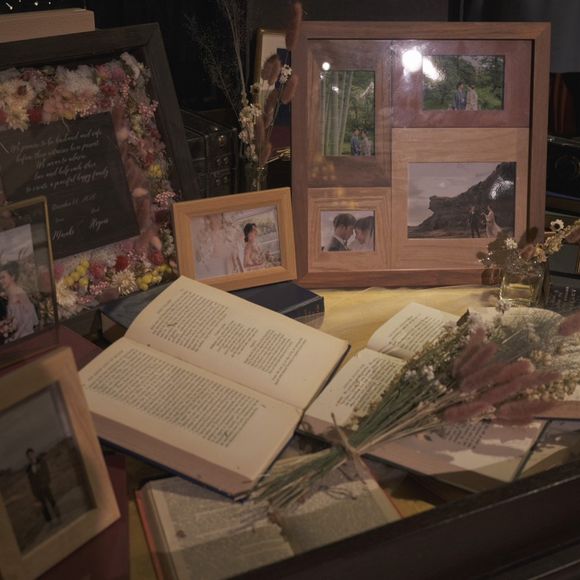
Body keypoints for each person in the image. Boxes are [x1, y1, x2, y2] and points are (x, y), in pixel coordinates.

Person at [194, 214, 243, 279]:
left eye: (219, 215)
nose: (217, 218)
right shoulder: (203, 236)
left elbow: (235, 253)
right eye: (214, 216)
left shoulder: (232, 233)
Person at [0, 261, 38, 340]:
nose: (0, 281)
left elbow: (28, 317)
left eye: (3, 277)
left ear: (13, 277)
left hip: (22, 337)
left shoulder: (17, 294)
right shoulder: (11, 292)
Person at [26, 448, 60, 523]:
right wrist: (34, 492)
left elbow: (47, 473)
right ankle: (50, 522)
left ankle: (58, 516)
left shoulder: (41, 462)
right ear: (28, 457)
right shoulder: (29, 469)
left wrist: (46, 482)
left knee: (52, 501)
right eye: (29, 455)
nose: (31, 456)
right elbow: (31, 482)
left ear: (34, 453)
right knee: (43, 506)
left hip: (45, 486)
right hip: (38, 491)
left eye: (31, 454)